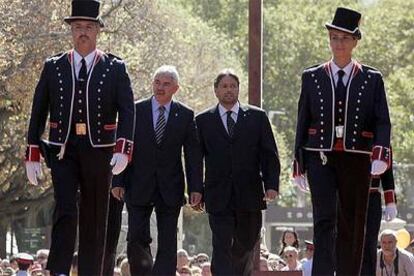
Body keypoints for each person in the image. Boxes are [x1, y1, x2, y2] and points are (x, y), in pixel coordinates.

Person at [24, 1, 135, 274]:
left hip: (100, 149)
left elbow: (128, 111)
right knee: (65, 207)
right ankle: (59, 269)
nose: (82, 32)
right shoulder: (54, 66)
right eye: (77, 27)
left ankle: (90, 271)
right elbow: (38, 111)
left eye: (88, 27)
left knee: (95, 215)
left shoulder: (114, 67)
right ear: (71, 32)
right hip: (63, 148)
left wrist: (123, 149)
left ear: (98, 30)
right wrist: (32, 151)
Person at [293, 7, 392, 275]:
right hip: (320, 155)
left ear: (355, 41)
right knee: (323, 220)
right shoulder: (311, 76)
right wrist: (298, 162)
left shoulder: (372, 79)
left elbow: (382, 120)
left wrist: (380, 154)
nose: (339, 43)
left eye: (345, 38)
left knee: (352, 222)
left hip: (357, 156)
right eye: (334, 37)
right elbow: (303, 119)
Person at [112, 65, 203, 275]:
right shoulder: (135, 111)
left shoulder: (186, 115)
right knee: (136, 238)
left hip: (170, 187)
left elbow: (192, 156)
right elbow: (122, 146)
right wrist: (117, 181)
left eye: (166, 84)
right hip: (137, 184)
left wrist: (196, 187)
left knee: (168, 242)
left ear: (176, 88)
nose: (160, 87)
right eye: (157, 82)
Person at [196, 69, 280, 275]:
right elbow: (195, 160)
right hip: (218, 194)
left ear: (238, 89)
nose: (229, 90)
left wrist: (271, 185)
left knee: (247, 244)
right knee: (221, 245)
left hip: (250, 194)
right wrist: (196, 190)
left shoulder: (257, 117)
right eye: (224, 86)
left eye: (233, 86)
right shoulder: (203, 120)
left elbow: (269, 154)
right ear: (216, 91)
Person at [362, 166, 398, 275]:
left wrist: (390, 201)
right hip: (346, 196)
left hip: (371, 196)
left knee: (369, 244)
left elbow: (387, 171)